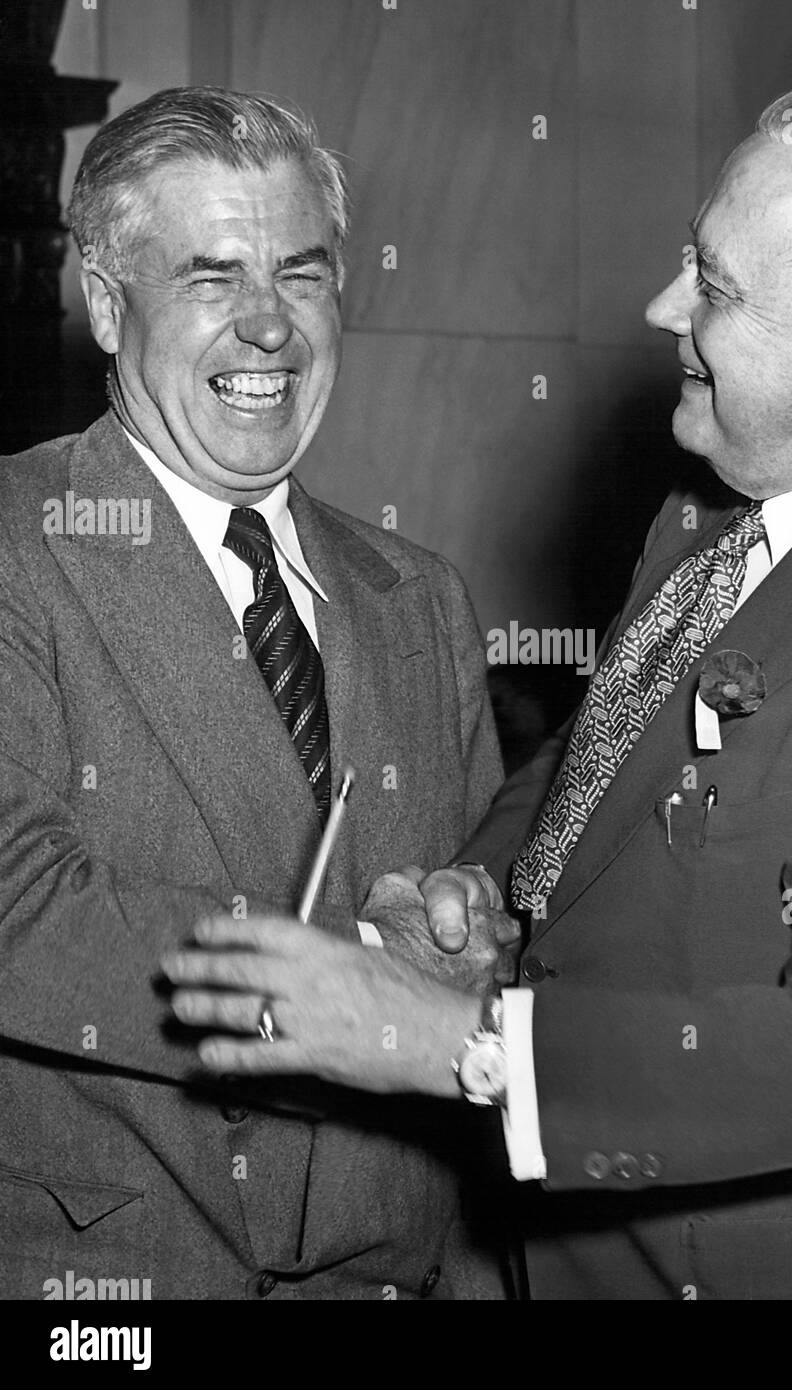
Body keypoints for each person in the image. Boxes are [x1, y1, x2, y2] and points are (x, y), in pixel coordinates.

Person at [164, 85, 792, 1300]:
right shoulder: (721, 512)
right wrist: (479, 894)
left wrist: (444, 1041)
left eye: (715, 284)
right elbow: (602, 750)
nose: (662, 309)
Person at [0, 86, 515, 1300]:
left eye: (302, 273)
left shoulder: (421, 598)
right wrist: (370, 984)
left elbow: (489, 902)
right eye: (212, 276)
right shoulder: (18, 545)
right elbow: (22, 913)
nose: (269, 326)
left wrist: (475, 926)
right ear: (107, 303)